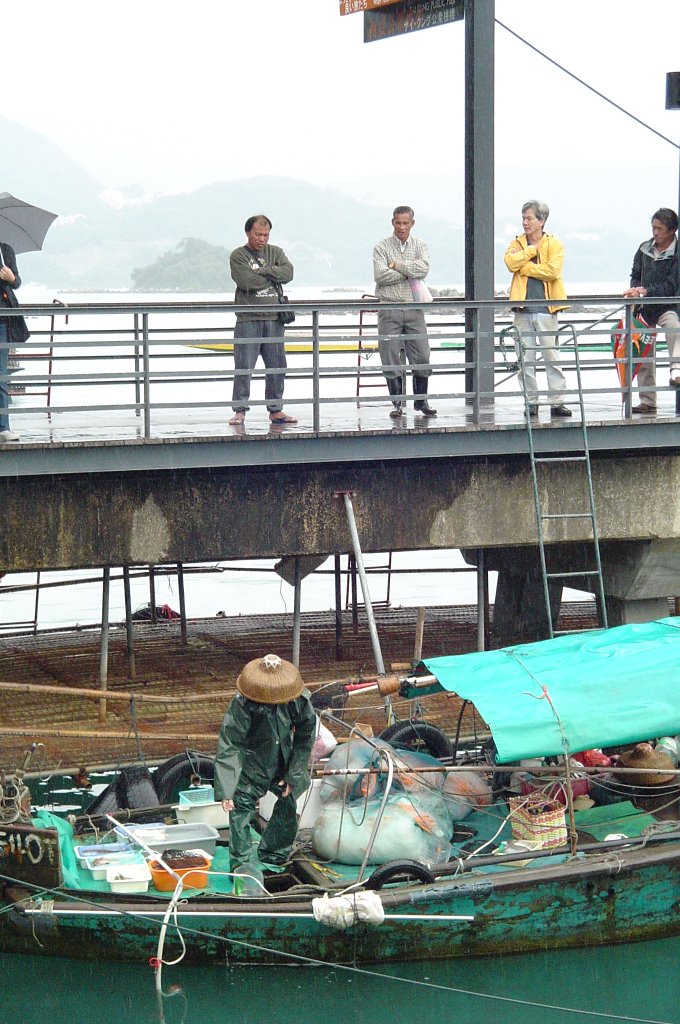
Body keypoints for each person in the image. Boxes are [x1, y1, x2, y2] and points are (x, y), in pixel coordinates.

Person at [214, 653, 316, 870]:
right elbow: (231, 742)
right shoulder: (243, 703)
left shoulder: (298, 700)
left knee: (288, 800)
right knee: (240, 808)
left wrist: (294, 774)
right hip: (252, 762)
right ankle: (240, 865)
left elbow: (305, 737)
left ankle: (274, 854)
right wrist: (227, 788)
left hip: (282, 761)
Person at [504, 200, 571, 418]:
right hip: (522, 310)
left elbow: (553, 271)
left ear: (541, 221)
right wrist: (530, 251)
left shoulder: (554, 244)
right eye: (523, 218)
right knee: (525, 358)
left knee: (552, 356)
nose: (525, 222)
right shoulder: (518, 243)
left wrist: (527, 267)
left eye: (529, 218)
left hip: (547, 309)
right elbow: (509, 262)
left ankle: (557, 401)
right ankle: (531, 401)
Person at [229, 215, 297, 426]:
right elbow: (246, 281)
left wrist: (263, 271)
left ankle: (276, 409)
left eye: (265, 235)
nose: (262, 239)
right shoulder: (238, 255)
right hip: (248, 318)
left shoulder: (275, 251)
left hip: (275, 318)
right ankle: (239, 410)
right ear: (248, 232)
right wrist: (272, 274)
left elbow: (288, 273)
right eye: (258, 234)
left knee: (277, 365)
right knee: (244, 366)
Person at [373, 206, 436, 418]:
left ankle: (421, 401)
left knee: (422, 354)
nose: (401, 227)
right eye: (398, 222)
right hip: (389, 306)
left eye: (405, 223)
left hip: (414, 307)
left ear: (412, 223)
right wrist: (408, 271)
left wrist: (396, 265)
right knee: (390, 356)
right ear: (392, 222)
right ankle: (397, 404)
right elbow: (380, 276)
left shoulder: (421, 245)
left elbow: (423, 269)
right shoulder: (381, 247)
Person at [623, 208, 680, 415]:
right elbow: (635, 273)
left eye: (660, 229)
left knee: (674, 327)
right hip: (645, 307)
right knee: (643, 348)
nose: (655, 233)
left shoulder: (677, 252)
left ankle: (676, 369)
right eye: (653, 228)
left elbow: (672, 284)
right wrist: (636, 288)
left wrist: (646, 292)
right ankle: (647, 399)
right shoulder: (644, 248)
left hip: (668, 305)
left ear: (672, 230)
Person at [0, 241, 29, 441]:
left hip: (3, 321)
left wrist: (11, 278)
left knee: (1, 375)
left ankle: (3, 427)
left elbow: (17, 282)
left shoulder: (6, 250)